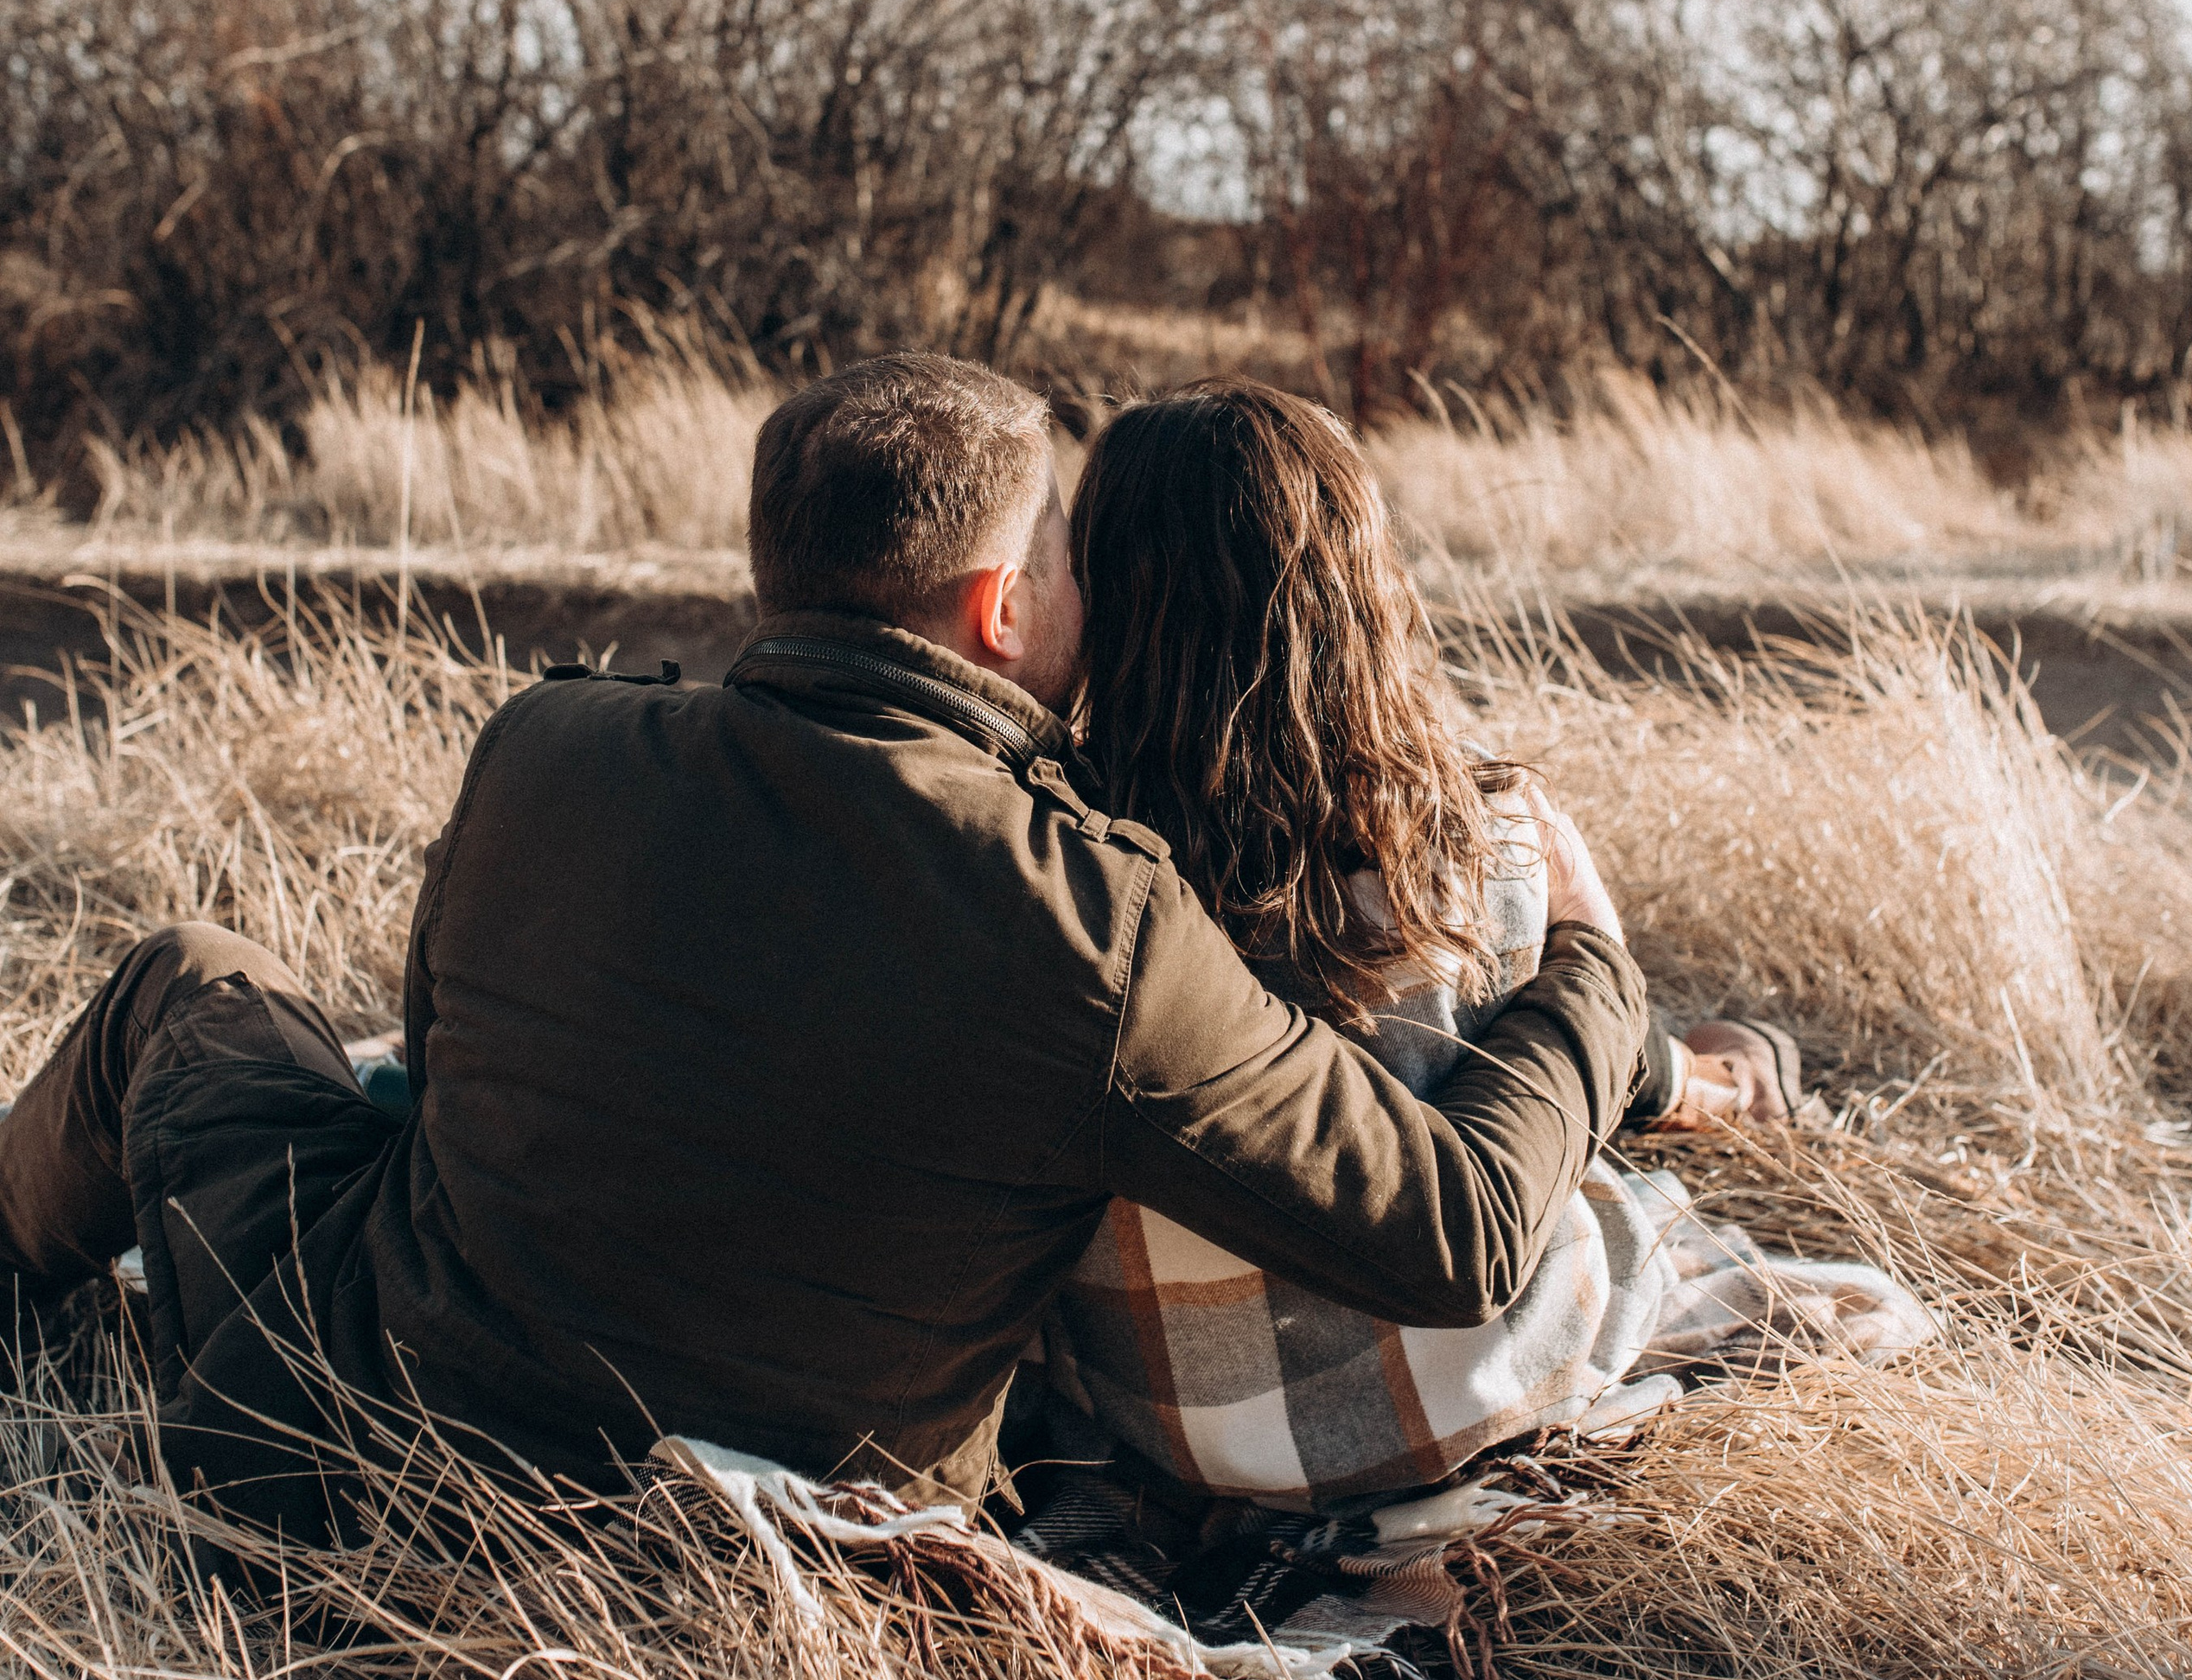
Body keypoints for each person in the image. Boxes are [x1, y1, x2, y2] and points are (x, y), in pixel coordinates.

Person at [0, 354, 1649, 1542]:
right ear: (1004, 609)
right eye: (1071, 557)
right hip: (772, 1550)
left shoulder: (546, 747)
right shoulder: (1103, 922)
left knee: (193, 978)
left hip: (330, 1438)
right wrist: (1591, 976)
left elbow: (439, 1082)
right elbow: (1454, 1230)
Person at [1038, 381, 1929, 1510]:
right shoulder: (1478, 838)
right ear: (1360, 586)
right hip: (1477, 1387)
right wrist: (1593, 947)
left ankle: (1704, 1074)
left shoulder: (1063, 866)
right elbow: (1529, 1098)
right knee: (1850, 1297)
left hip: (1174, 1425)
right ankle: (1716, 1077)